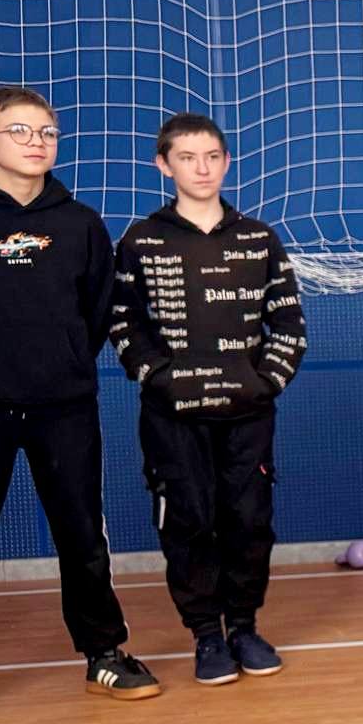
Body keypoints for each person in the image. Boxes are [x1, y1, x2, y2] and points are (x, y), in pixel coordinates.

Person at [0, 85, 158, 724]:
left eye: (46, 132)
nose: (37, 142)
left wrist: (62, 365)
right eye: (20, 131)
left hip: (62, 406)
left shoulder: (80, 223)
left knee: (82, 534)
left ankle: (104, 653)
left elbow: (96, 311)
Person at [107, 113, 308, 685]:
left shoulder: (259, 238)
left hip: (248, 417)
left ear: (226, 162)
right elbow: (123, 323)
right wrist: (159, 378)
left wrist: (264, 382)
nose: (202, 169)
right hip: (172, 419)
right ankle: (206, 637)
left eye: (213, 157)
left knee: (249, 520)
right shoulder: (141, 240)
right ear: (163, 165)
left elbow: (289, 324)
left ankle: (244, 627)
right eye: (188, 158)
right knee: (188, 520)